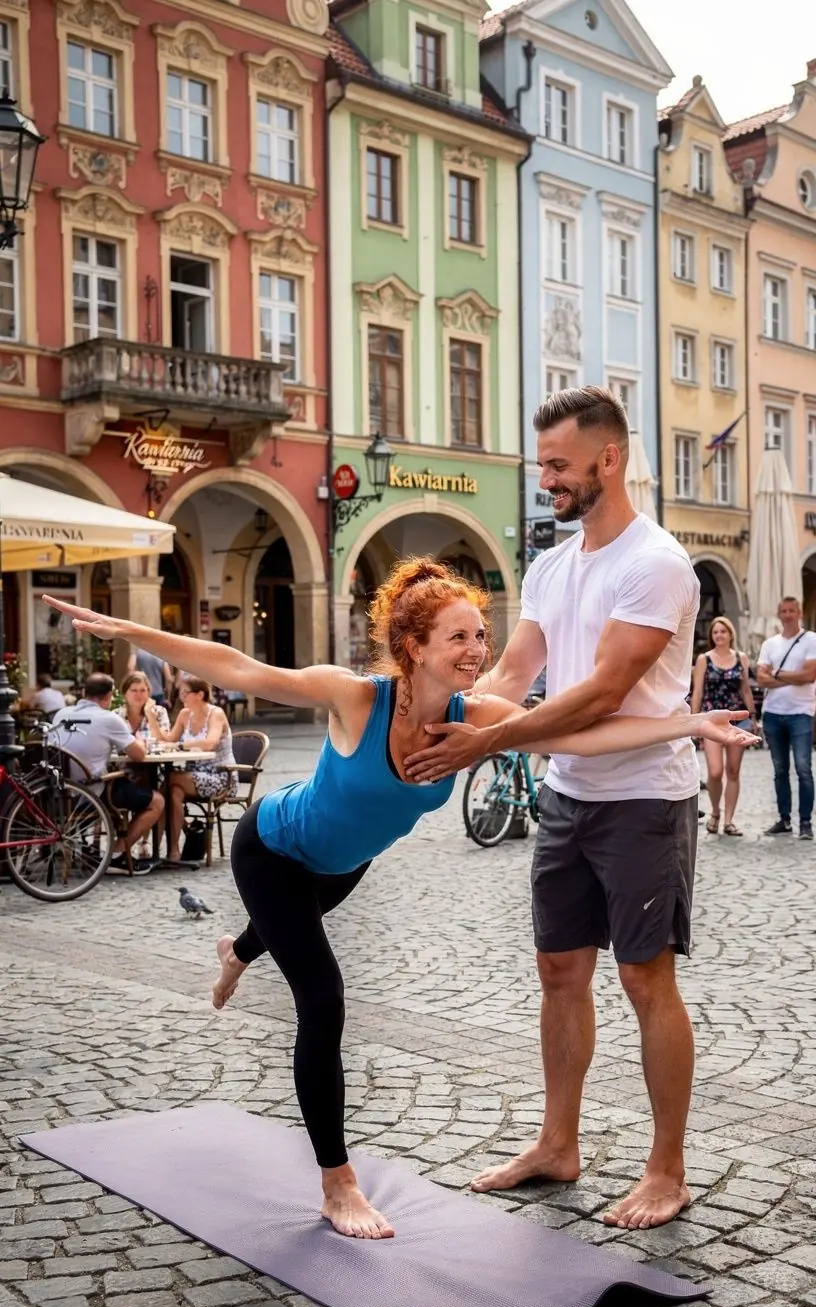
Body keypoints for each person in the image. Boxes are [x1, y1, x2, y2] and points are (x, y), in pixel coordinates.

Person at [42, 566, 752, 1239]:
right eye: (459, 637)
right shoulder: (357, 697)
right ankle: (337, 1184)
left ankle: (240, 948)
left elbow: (583, 735)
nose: (478, 651)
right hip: (274, 851)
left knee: (302, 922)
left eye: (481, 635)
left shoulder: (480, 717)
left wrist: (688, 725)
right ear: (414, 647)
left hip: (343, 867)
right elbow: (237, 667)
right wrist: (128, 630)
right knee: (322, 1000)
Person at [403, 387, 707, 1231]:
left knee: (647, 979)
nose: (547, 481)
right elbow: (513, 673)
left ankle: (666, 1168)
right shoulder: (550, 564)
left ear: (609, 461)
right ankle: (557, 1144)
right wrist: (450, 713)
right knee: (559, 973)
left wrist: (487, 744)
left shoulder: (656, 564)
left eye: (560, 466)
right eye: (543, 465)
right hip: (568, 798)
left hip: (645, 797)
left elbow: (602, 693)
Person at [50, 673, 164, 876]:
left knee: (126, 786)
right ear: (109, 696)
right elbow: (139, 755)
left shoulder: (61, 714)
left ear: (84, 693)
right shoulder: (109, 718)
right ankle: (117, 854)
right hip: (92, 793)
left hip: (59, 793)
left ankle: (101, 849)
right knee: (157, 801)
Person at [756, 596, 816, 840]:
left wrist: (777, 673)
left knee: (803, 768)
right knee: (780, 770)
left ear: (799, 613)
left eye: (792, 610)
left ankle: (805, 822)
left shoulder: (811, 639)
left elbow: (810, 676)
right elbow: (761, 679)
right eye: (784, 611)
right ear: (779, 615)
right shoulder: (770, 644)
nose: (788, 615)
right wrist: (794, 675)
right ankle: (784, 819)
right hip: (773, 713)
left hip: (801, 713)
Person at [690, 617, 757, 836]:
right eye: (715, 632)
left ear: (730, 634)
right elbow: (698, 691)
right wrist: (693, 721)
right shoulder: (704, 659)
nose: (719, 635)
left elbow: (745, 689)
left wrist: (753, 716)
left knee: (733, 771)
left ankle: (728, 820)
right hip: (712, 720)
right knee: (716, 771)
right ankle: (715, 812)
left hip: (738, 719)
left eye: (723, 631)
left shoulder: (741, 658)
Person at [161, 677, 237, 864]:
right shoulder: (184, 715)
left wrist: (181, 746)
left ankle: (151, 839)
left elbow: (210, 743)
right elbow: (169, 740)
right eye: (180, 693)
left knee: (165, 784)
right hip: (190, 775)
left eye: (185, 693)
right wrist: (153, 720)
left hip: (220, 776)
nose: (181, 697)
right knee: (172, 792)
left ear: (200, 694)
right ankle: (174, 852)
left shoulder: (215, 714)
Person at [117, 670, 172, 743]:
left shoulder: (160, 712)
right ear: (125, 694)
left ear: (148, 693)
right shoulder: (115, 715)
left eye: (143, 690)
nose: (138, 694)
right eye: (134, 690)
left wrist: (151, 716)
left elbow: (163, 742)